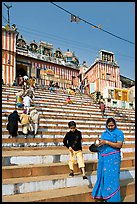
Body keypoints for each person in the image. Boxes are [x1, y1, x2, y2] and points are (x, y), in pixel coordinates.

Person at [92, 117, 124, 202]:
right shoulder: (104, 134)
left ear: (115, 125)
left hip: (114, 160)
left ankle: (114, 199)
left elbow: (119, 145)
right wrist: (98, 143)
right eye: (108, 126)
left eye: (112, 125)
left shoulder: (119, 133)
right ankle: (104, 196)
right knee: (104, 178)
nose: (110, 127)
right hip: (104, 159)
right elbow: (102, 146)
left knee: (113, 178)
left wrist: (106, 142)